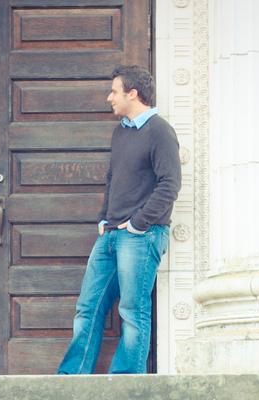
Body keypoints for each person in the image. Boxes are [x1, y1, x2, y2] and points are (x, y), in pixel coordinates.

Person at [58, 65, 181, 374]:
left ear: (132, 93)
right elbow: (112, 179)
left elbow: (170, 184)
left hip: (141, 236)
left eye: (114, 91)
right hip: (110, 235)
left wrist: (139, 223)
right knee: (88, 309)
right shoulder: (120, 132)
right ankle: (71, 378)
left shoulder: (160, 131)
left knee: (132, 312)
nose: (109, 97)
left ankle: (125, 384)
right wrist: (104, 219)